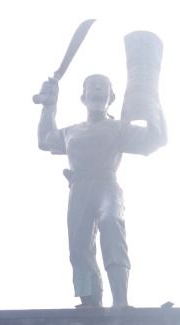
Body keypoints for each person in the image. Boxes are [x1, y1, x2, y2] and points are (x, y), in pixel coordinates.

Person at [35, 73, 167, 308]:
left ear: (111, 96)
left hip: (107, 185)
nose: (97, 89)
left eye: (102, 87)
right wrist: (49, 106)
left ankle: (120, 301)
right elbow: (45, 140)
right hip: (79, 189)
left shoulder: (119, 128)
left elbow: (156, 139)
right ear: (83, 97)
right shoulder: (71, 131)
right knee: (78, 247)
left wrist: (153, 104)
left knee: (111, 222)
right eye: (91, 87)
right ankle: (90, 301)